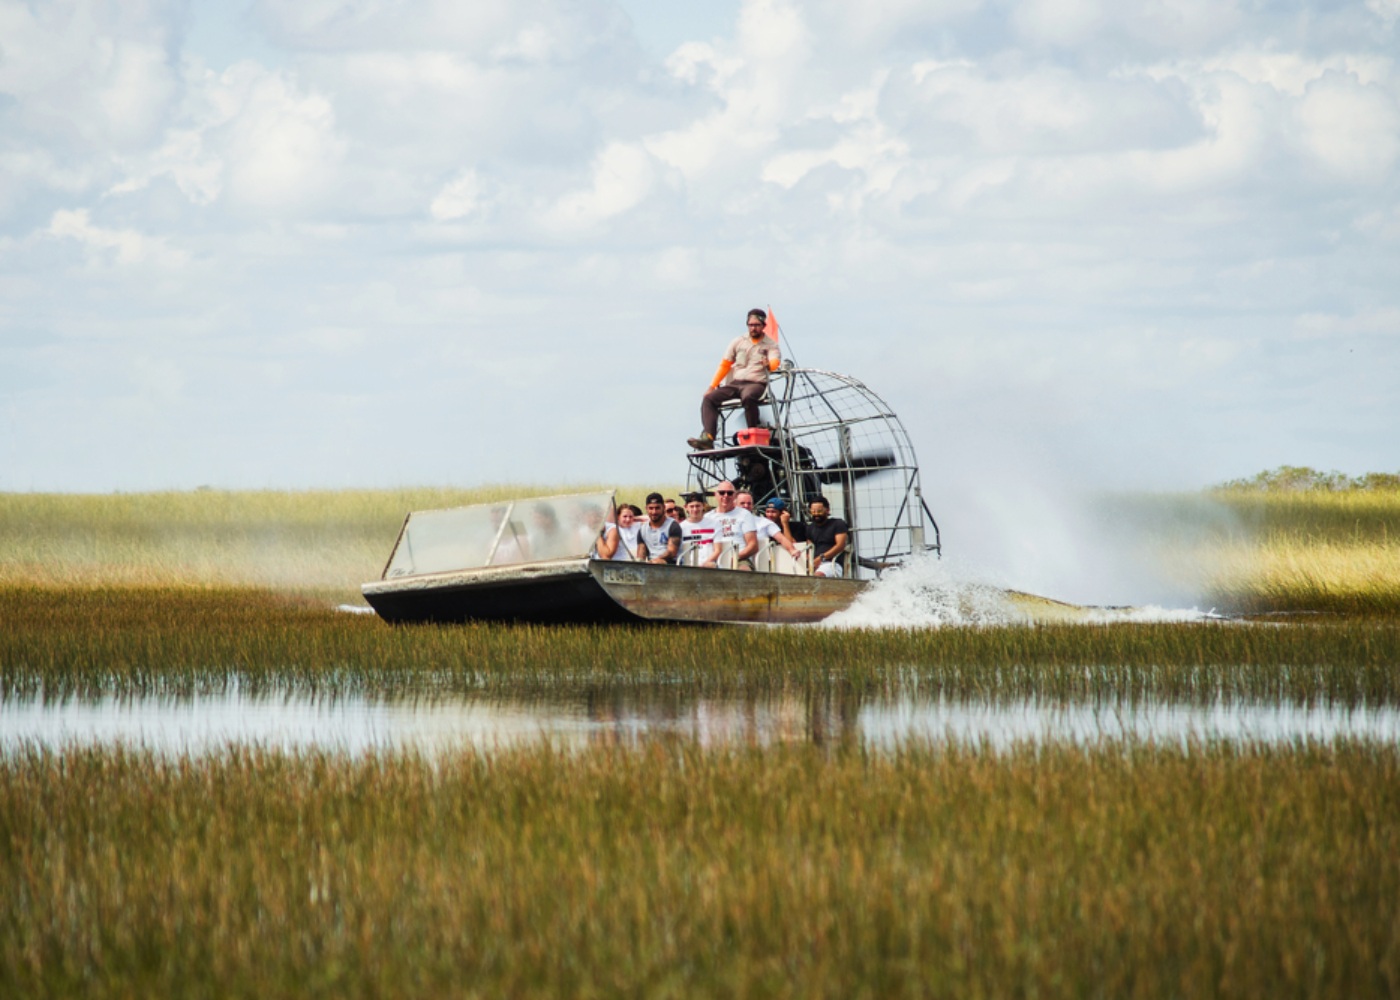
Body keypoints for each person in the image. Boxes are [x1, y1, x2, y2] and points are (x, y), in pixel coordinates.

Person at [687, 309, 781, 451]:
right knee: (709, 399)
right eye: (750, 325)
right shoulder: (738, 342)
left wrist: (769, 364)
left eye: (756, 325)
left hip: (756, 383)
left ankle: (752, 433)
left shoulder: (770, 344)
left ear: (763, 325)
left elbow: (775, 362)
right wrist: (712, 387)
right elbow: (725, 365)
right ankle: (708, 438)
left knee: (748, 397)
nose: (753, 328)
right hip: (736, 383)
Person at [706, 480, 760, 569]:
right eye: (722, 493)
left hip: (739, 558)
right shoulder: (708, 517)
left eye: (730, 493)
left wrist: (733, 558)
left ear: (734, 496)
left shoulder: (744, 514)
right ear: (715, 495)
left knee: (743, 570)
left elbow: (753, 545)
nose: (726, 496)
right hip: (714, 558)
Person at [737, 491, 799, 559]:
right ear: (734, 504)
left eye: (749, 503)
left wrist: (792, 550)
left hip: (754, 563)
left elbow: (782, 539)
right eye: (742, 503)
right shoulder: (725, 520)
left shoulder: (764, 522)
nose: (746, 506)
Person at [806, 495, 849, 578]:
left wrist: (821, 558)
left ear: (827, 510)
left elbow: (840, 545)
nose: (816, 514)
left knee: (817, 577)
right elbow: (809, 548)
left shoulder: (837, 523)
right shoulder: (810, 528)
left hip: (832, 563)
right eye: (813, 511)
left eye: (819, 511)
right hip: (814, 564)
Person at [637, 493, 682, 564]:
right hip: (650, 565)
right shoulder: (643, 529)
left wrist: (655, 561)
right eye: (651, 508)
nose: (654, 512)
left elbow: (672, 552)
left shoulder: (673, 526)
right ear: (646, 509)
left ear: (663, 508)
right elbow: (641, 555)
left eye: (657, 508)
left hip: (670, 564)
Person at [678, 492, 718, 566]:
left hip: (709, 565)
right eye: (692, 506)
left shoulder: (715, 524)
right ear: (686, 507)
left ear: (703, 506)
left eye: (698, 506)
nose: (695, 509)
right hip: (687, 566)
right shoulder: (680, 527)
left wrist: (704, 564)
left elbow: (718, 550)